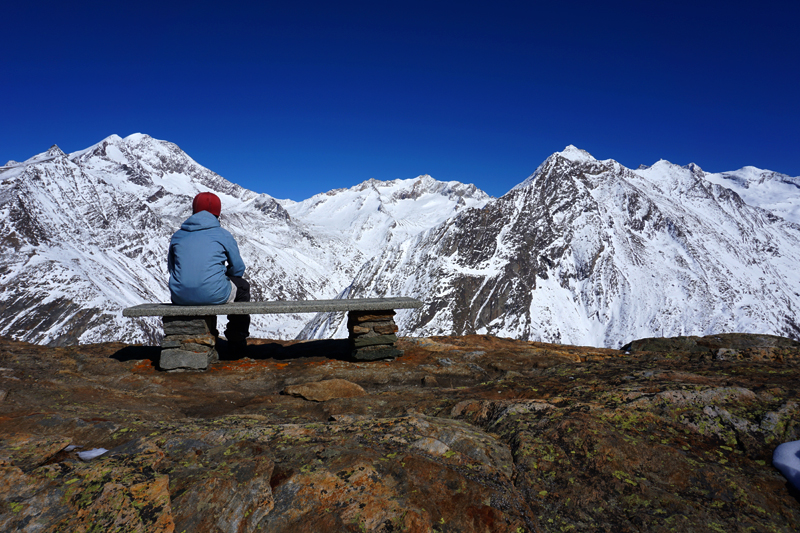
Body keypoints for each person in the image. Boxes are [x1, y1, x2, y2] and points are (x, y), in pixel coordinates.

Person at [167, 192, 250, 350]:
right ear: (218, 215)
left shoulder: (177, 236)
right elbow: (238, 267)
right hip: (215, 293)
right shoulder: (223, 235)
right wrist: (223, 276)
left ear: (193, 212)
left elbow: (172, 268)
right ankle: (236, 340)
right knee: (243, 287)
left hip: (179, 296)